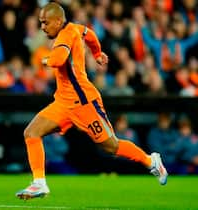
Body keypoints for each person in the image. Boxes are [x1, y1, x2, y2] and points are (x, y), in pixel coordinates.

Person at [16, 2, 168, 200]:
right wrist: (96, 53)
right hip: (63, 102)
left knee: (111, 146)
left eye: (45, 23)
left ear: (58, 21)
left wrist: (45, 60)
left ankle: (150, 161)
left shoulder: (66, 35)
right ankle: (39, 183)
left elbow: (58, 59)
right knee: (32, 132)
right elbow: (90, 34)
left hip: (84, 103)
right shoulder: (75, 29)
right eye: (41, 23)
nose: (42, 27)